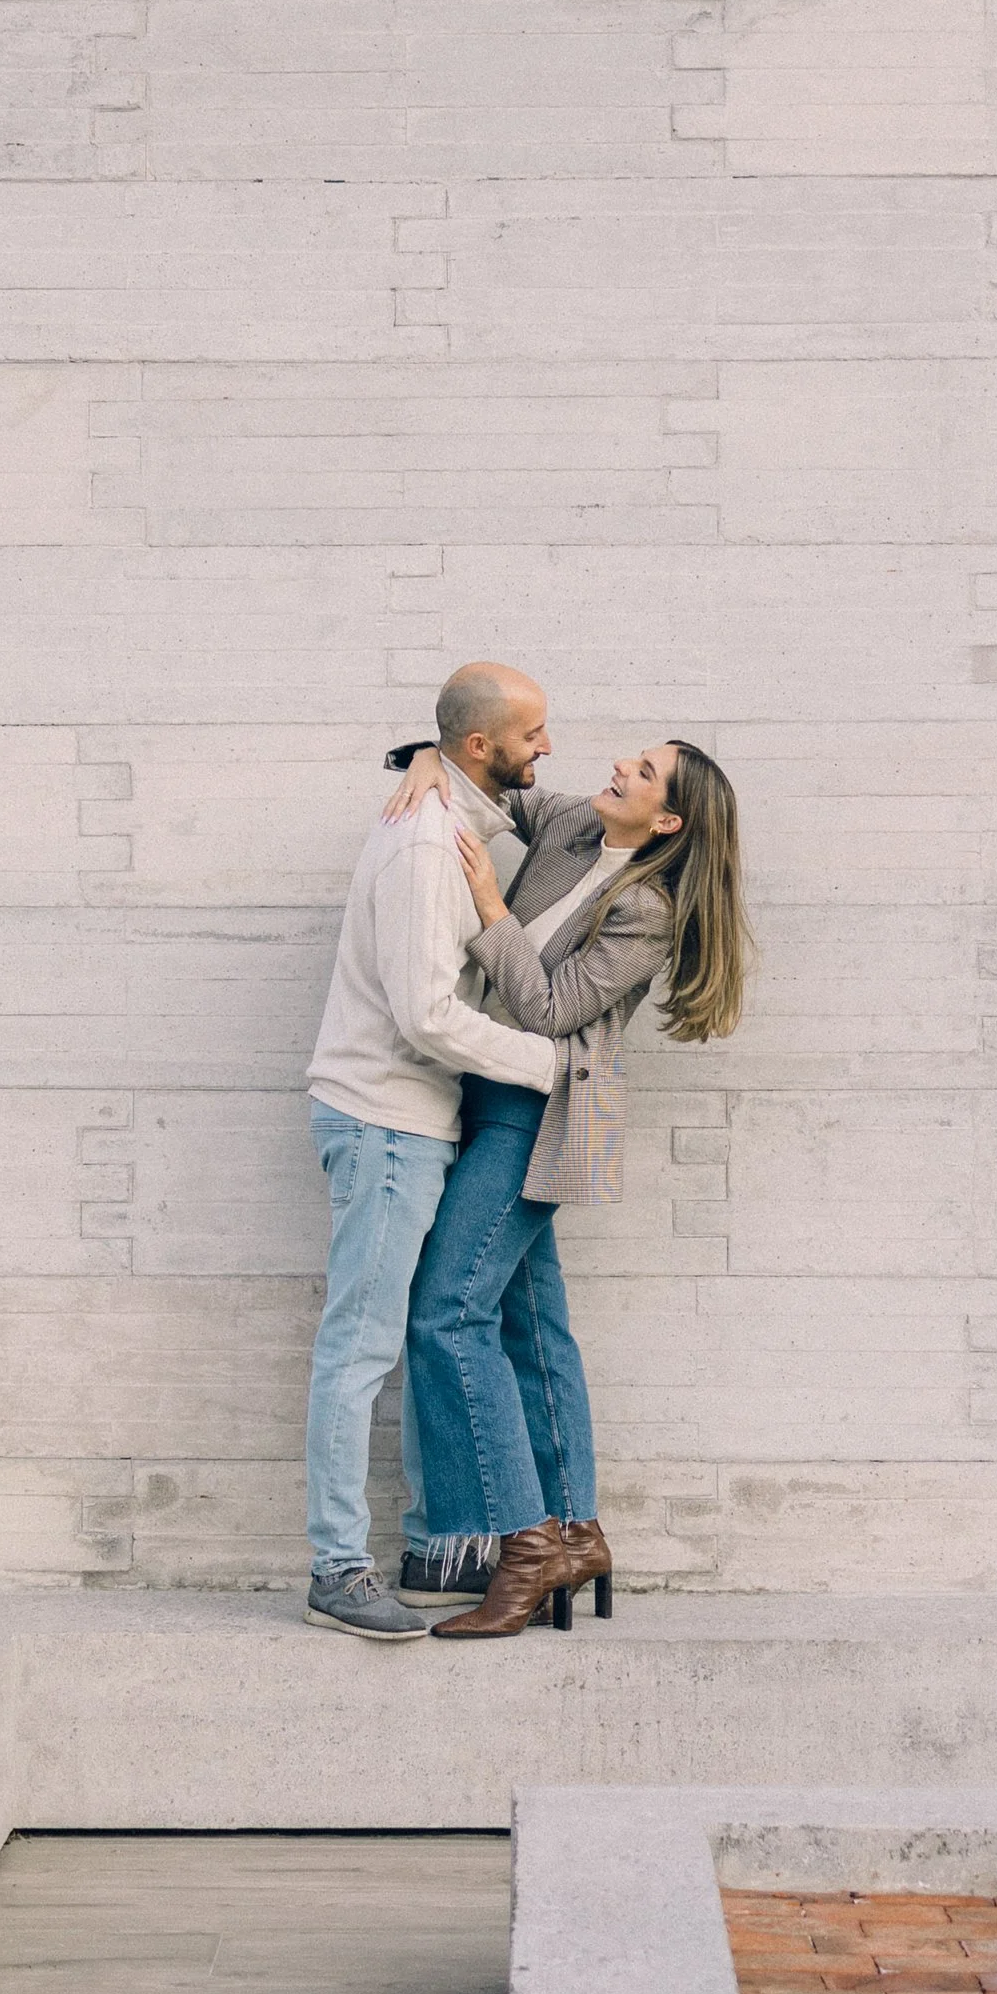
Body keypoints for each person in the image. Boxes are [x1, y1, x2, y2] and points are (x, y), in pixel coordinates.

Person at [383, 736, 751, 1640]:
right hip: (484, 1094)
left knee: (447, 1313)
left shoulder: (650, 913)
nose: (621, 766)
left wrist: (486, 904)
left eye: (645, 771)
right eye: (634, 755)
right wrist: (428, 757)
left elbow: (548, 1012)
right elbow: (498, 785)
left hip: (537, 1112)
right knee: (529, 1325)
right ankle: (577, 1529)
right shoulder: (575, 826)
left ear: (665, 818)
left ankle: (523, 1543)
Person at [298, 665, 560, 1639]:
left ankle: (424, 1546)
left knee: (385, 1339)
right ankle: (335, 1567)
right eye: (533, 734)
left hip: (405, 1127)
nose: (548, 749)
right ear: (484, 747)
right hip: (384, 1124)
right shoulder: (423, 847)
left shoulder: (455, 813)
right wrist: (546, 1061)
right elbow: (424, 1014)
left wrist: (422, 753)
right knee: (359, 1346)